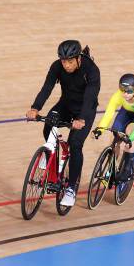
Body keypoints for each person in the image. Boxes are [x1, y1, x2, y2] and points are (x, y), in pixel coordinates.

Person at [26, 40, 100, 207]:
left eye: (70, 61)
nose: (66, 65)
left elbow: (90, 96)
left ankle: (71, 189)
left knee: (75, 144)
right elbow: (47, 87)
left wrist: (81, 119)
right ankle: (52, 148)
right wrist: (35, 108)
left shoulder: (91, 70)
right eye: (63, 61)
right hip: (66, 104)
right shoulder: (57, 66)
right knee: (48, 124)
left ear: (79, 58)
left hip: (85, 110)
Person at [93, 73, 134, 181]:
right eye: (122, 89)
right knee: (115, 135)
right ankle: (111, 168)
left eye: (129, 91)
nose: (125, 93)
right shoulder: (118, 95)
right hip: (127, 111)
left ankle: (129, 168)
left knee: (130, 131)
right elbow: (108, 114)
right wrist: (100, 130)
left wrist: (129, 139)